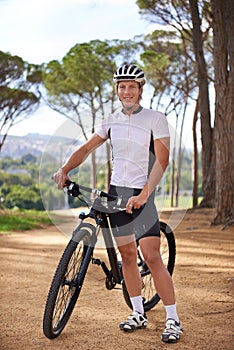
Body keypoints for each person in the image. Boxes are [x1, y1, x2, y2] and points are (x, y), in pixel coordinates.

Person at [54, 64, 183, 343]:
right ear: (117, 90)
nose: (126, 91)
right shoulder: (110, 120)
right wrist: (65, 169)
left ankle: (173, 319)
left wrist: (145, 194)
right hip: (116, 194)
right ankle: (138, 313)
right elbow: (88, 148)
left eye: (132, 87)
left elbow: (162, 161)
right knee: (126, 256)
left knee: (150, 256)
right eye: (122, 87)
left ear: (140, 89)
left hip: (142, 193)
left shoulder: (155, 119)